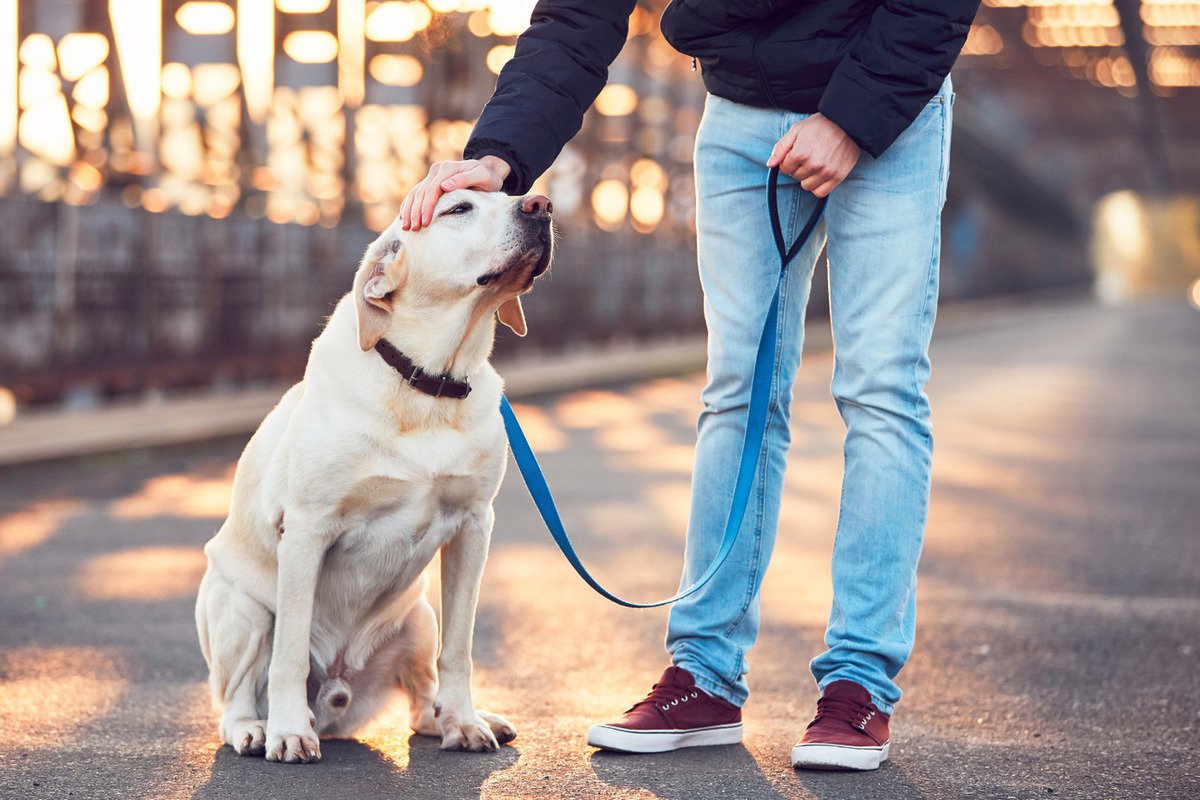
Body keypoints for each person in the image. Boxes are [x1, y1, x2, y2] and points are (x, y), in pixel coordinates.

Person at [400, 0, 979, 771]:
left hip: (887, 114)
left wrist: (849, 120)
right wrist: (499, 155)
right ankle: (704, 677)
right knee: (736, 392)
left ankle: (858, 685)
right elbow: (578, 16)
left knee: (880, 388)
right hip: (739, 115)